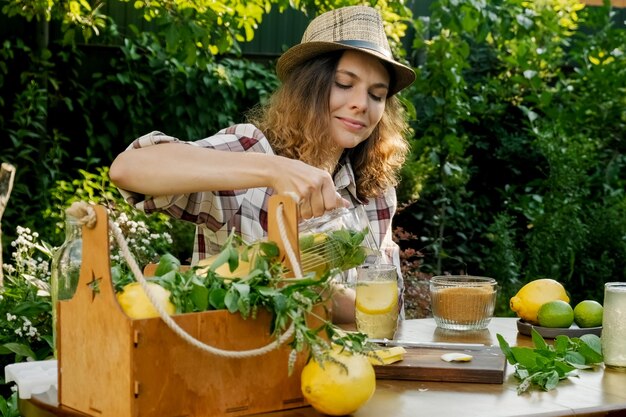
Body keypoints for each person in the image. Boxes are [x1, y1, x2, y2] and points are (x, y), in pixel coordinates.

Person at [109, 5, 415, 323]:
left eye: (377, 95)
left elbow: (388, 311)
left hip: (349, 370)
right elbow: (128, 169)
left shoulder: (373, 189)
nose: (361, 104)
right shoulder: (253, 149)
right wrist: (274, 169)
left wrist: (319, 291)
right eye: (343, 83)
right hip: (243, 366)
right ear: (308, 87)